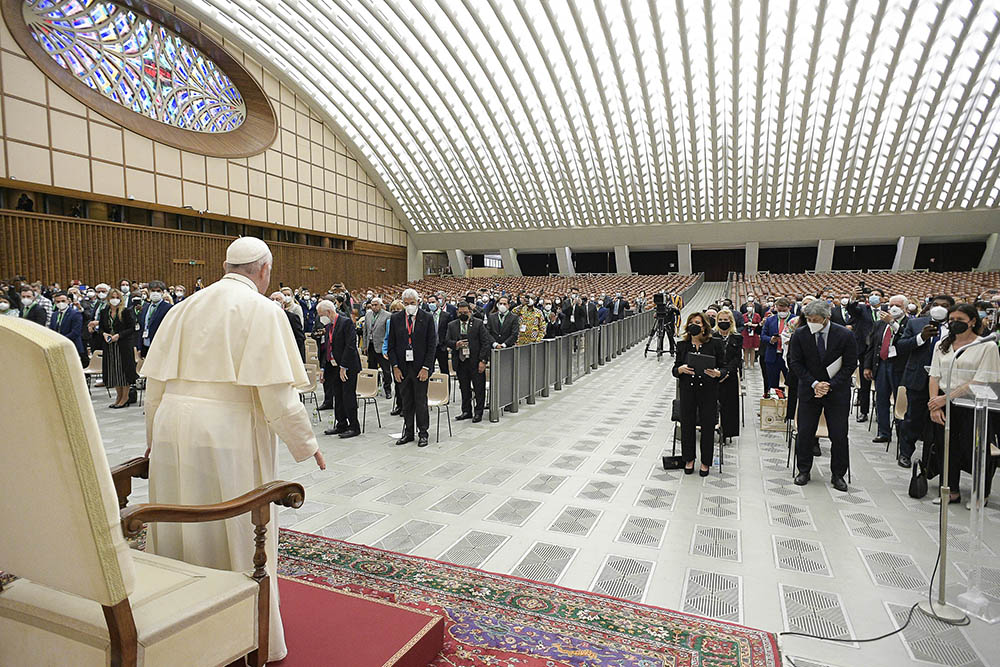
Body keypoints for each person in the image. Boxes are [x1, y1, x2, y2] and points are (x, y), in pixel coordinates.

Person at [142, 237, 324, 663]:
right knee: (234, 525)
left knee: (181, 517)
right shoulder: (263, 310)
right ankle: (243, 631)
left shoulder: (181, 307)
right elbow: (278, 397)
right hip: (227, 431)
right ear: (263, 270)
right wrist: (307, 445)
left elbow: (154, 388)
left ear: (227, 266)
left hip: (172, 423)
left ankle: (179, 623)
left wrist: (153, 437)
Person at [927, 304, 1000, 506]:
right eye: (951, 320)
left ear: (973, 321)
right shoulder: (942, 344)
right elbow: (934, 375)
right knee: (946, 447)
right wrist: (935, 404)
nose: (954, 323)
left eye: (960, 319)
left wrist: (945, 398)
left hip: (973, 403)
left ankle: (980, 493)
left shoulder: (986, 345)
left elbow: (981, 380)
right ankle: (950, 490)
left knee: (975, 449)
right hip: (942, 402)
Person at [787, 299, 858, 491]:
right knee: (805, 432)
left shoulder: (844, 334)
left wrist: (830, 385)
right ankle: (803, 470)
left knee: (839, 434)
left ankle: (838, 475)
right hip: (810, 390)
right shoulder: (800, 334)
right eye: (808, 318)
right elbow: (795, 363)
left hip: (837, 392)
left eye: (815, 319)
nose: (811, 322)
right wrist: (815, 383)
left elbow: (850, 364)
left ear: (826, 318)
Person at [896, 295, 956, 468]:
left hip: (945, 383)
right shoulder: (916, 323)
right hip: (918, 379)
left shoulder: (956, 327)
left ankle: (932, 459)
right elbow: (901, 346)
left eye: (944, 306)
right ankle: (905, 453)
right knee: (912, 419)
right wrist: (920, 338)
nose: (939, 308)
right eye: (936, 305)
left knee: (938, 422)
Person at [673, 312, 725, 476]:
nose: (695, 325)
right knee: (687, 425)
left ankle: (705, 462)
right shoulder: (682, 345)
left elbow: (724, 367)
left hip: (708, 390)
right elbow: (675, 369)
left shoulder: (714, 344)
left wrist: (718, 373)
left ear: (704, 326)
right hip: (688, 390)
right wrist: (680, 370)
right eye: (692, 322)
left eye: (698, 322)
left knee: (707, 426)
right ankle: (689, 459)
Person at [387, 288, 436, 447]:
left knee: (420, 401)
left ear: (418, 303)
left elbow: (431, 346)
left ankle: (423, 433)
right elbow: (391, 346)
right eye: (406, 303)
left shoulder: (427, 318)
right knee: (406, 402)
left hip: (420, 368)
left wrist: (426, 368)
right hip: (402, 368)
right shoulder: (395, 319)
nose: (409, 306)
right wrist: (395, 367)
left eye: (412, 303)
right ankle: (408, 432)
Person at [864, 295, 910, 444]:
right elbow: (872, 345)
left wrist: (892, 322)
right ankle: (884, 432)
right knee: (881, 399)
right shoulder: (879, 324)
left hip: (900, 367)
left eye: (897, 305)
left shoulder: (910, 323)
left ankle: (902, 433)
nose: (894, 308)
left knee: (899, 400)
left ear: (905, 308)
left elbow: (906, 338)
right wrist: (867, 366)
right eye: (891, 305)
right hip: (882, 364)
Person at [317, 299, 361, 439]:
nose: (320, 318)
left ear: (328, 312)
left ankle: (354, 426)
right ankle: (341, 424)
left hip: (347, 366)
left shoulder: (345, 322)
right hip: (333, 367)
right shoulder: (329, 326)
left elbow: (350, 346)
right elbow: (327, 349)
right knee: (338, 396)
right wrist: (323, 368)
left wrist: (344, 366)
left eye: (321, 315)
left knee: (348, 396)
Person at [447, 300, 491, 422]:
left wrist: (483, 360)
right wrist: (456, 344)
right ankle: (466, 411)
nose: (463, 314)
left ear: (470, 312)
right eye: (460, 312)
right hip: (461, 362)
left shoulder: (478, 324)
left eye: (465, 312)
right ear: (457, 312)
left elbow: (485, 343)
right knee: (464, 388)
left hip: (476, 361)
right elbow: (447, 341)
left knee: (478, 388)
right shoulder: (452, 325)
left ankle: (478, 412)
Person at [98, 288, 138, 408]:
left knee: (123, 371)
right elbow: (101, 327)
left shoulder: (126, 311)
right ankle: (118, 396)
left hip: (123, 345)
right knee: (113, 371)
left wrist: (119, 335)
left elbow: (132, 328)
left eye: (117, 297)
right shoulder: (104, 312)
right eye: (112, 297)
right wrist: (104, 334)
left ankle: (125, 397)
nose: (114, 300)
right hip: (110, 346)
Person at [847, 290, 883, 422]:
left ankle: (880, 412)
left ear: (882, 299)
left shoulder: (887, 311)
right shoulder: (862, 309)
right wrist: (853, 298)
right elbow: (852, 310)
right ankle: (864, 411)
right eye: (872, 294)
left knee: (882, 384)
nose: (874, 296)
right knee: (865, 383)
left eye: (877, 295)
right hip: (865, 350)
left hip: (881, 351)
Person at [715, 309, 743, 441]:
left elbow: (737, 358)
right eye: (720, 320)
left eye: (725, 320)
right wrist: (719, 372)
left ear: (730, 321)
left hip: (730, 375)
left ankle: (727, 432)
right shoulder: (712, 336)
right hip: (715, 373)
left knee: (729, 405)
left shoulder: (737, 337)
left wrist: (726, 372)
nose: (723, 322)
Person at [761, 297, 792, 396]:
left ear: (789, 308)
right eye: (779, 310)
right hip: (773, 355)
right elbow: (763, 335)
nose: (782, 312)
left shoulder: (795, 319)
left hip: (788, 356)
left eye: (784, 310)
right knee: (772, 383)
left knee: (791, 383)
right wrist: (770, 339)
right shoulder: (770, 320)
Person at [362, 297, 392, 398]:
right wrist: (364, 346)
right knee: (372, 369)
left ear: (381, 305)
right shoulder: (368, 314)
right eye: (372, 305)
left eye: (376, 305)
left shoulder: (387, 316)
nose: (374, 307)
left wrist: (388, 348)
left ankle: (387, 390)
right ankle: (373, 388)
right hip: (370, 346)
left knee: (386, 370)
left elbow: (389, 333)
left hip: (382, 346)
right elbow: (365, 331)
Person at [137, 281, 172, 358]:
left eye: (158, 291)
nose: (155, 293)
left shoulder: (168, 308)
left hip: (160, 347)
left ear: (163, 292)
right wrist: (139, 347)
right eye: (153, 290)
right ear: (149, 292)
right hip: (145, 344)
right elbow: (142, 327)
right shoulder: (145, 307)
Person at [49, 291, 84, 363]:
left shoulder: (75, 314)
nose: (60, 303)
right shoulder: (54, 315)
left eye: (63, 301)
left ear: (68, 301)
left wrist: (62, 340)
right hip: (57, 347)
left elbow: (75, 332)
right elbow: (51, 329)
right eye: (57, 301)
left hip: (72, 346)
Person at [383, 299, 405, 415]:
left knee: (405, 382)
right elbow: (387, 338)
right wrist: (384, 350)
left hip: (405, 355)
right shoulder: (389, 322)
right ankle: (399, 405)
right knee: (397, 382)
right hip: (393, 354)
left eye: (398, 310)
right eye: (393, 310)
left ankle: (406, 407)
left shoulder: (407, 321)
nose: (395, 312)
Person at [270, 291, 306, 362]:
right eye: (272, 299)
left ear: (283, 303)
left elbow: (299, 339)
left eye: (278, 299)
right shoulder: (265, 316)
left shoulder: (292, 317)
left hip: (288, 354)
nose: (274, 301)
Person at [425, 294, 453, 375]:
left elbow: (449, 331)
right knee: (429, 370)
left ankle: (447, 388)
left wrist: (447, 344)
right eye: (429, 303)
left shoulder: (446, 315)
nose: (431, 304)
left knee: (444, 370)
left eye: (433, 302)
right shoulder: (426, 315)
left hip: (442, 347)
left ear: (438, 302)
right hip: (430, 347)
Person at [741, 300, 762, 369]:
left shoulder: (757, 315)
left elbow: (759, 324)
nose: (749, 308)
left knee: (752, 349)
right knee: (745, 350)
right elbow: (741, 324)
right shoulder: (744, 315)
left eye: (751, 306)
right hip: (745, 333)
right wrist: (746, 324)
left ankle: (752, 364)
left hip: (753, 333)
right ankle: (746, 364)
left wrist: (752, 324)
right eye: (748, 306)